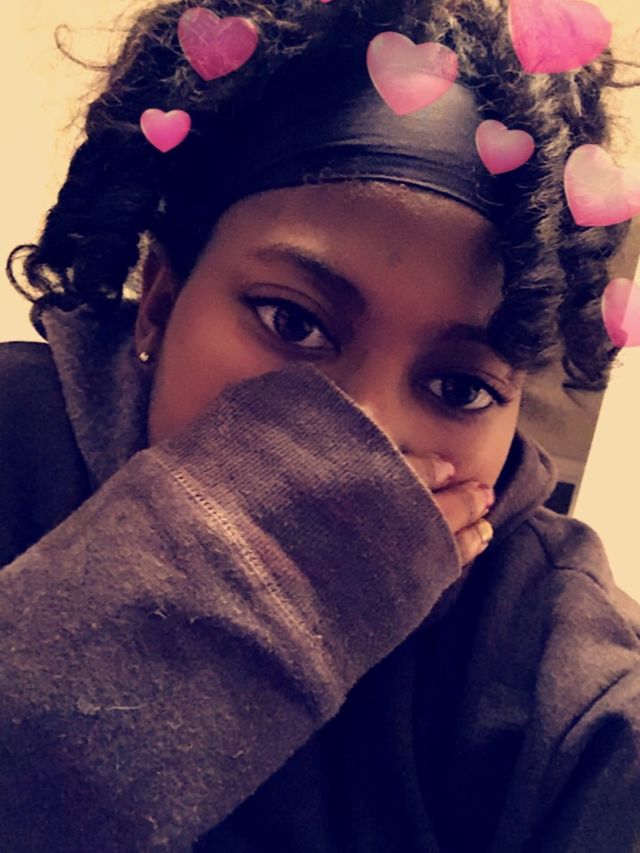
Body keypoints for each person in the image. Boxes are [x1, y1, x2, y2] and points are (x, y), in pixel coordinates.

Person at [2, 0, 639, 850]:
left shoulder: (549, 644)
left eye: (459, 386)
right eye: (292, 322)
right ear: (159, 300)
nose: (364, 442)